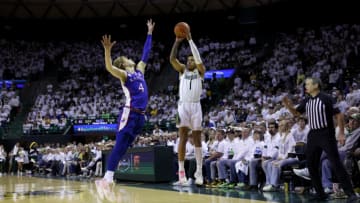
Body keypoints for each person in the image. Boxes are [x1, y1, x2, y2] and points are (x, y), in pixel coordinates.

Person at [95, 19, 155, 200]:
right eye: (127, 58)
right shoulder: (124, 74)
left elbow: (146, 53)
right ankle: (107, 178)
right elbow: (109, 67)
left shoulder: (139, 70)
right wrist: (107, 51)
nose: (131, 58)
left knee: (124, 148)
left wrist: (149, 33)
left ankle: (109, 177)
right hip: (129, 114)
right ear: (124, 63)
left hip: (140, 116)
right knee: (119, 145)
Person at [282, 77, 358, 202]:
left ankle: (351, 194)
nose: (305, 86)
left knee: (336, 163)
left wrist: (341, 133)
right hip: (313, 135)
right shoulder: (307, 100)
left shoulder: (326, 98)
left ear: (316, 85)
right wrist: (288, 106)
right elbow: (297, 114)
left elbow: (338, 115)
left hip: (326, 133)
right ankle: (320, 193)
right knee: (311, 164)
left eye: (308, 84)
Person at [170, 30, 206, 186]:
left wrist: (190, 40)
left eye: (193, 60)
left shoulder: (200, 72)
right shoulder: (182, 71)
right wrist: (177, 41)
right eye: (189, 60)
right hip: (183, 106)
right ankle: (181, 173)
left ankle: (199, 172)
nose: (191, 61)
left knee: (197, 138)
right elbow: (172, 58)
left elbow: (198, 59)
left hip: (196, 105)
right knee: (183, 137)